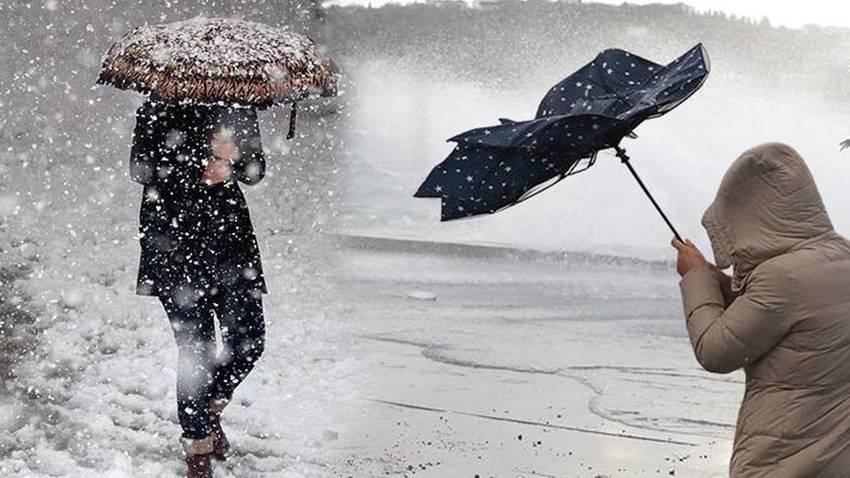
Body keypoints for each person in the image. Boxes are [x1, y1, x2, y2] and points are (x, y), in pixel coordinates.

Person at [672, 143, 850, 477]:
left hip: (785, 456)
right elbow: (789, 319)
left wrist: (696, 278)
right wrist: (720, 283)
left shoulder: (780, 277)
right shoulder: (840, 253)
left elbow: (716, 352)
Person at [130, 97, 267, 478]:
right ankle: (197, 449)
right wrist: (200, 162)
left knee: (249, 341)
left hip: (231, 246)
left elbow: (256, 171)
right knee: (197, 352)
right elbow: (141, 169)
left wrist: (235, 159)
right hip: (173, 245)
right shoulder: (157, 107)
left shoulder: (237, 105)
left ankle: (207, 410)